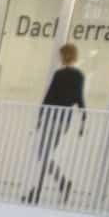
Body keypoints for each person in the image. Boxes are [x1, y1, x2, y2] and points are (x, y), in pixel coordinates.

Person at [30, 42, 87, 205]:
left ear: (65, 55)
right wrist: (83, 117)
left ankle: (39, 190)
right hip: (63, 120)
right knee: (45, 155)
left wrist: (40, 115)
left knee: (43, 155)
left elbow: (49, 96)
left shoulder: (59, 74)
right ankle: (59, 183)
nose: (59, 57)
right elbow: (79, 97)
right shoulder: (79, 75)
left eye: (60, 55)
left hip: (52, 117)